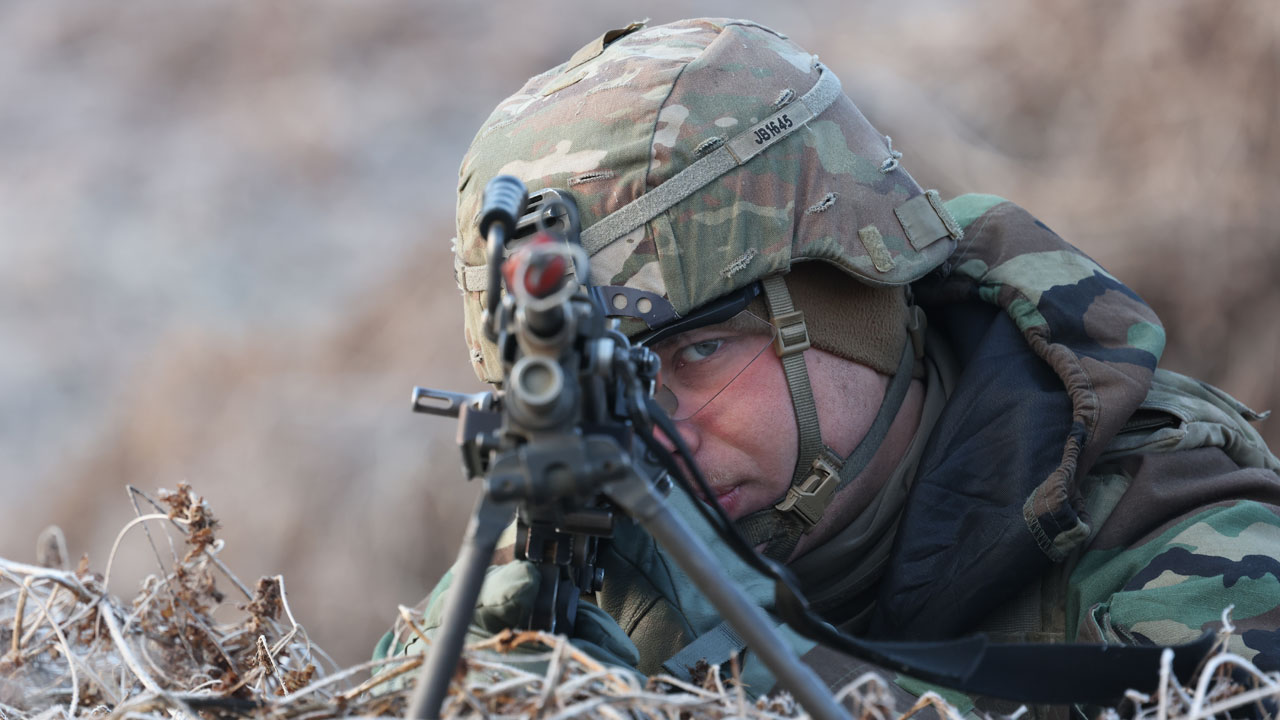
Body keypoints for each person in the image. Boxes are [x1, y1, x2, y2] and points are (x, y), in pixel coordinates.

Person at [376, 17, 1280, 715]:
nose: (657, 439)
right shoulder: (576, 563)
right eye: (603, 397)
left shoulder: (1181, 537)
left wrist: (761, 678)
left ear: (858, 296)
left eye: (698, 353)